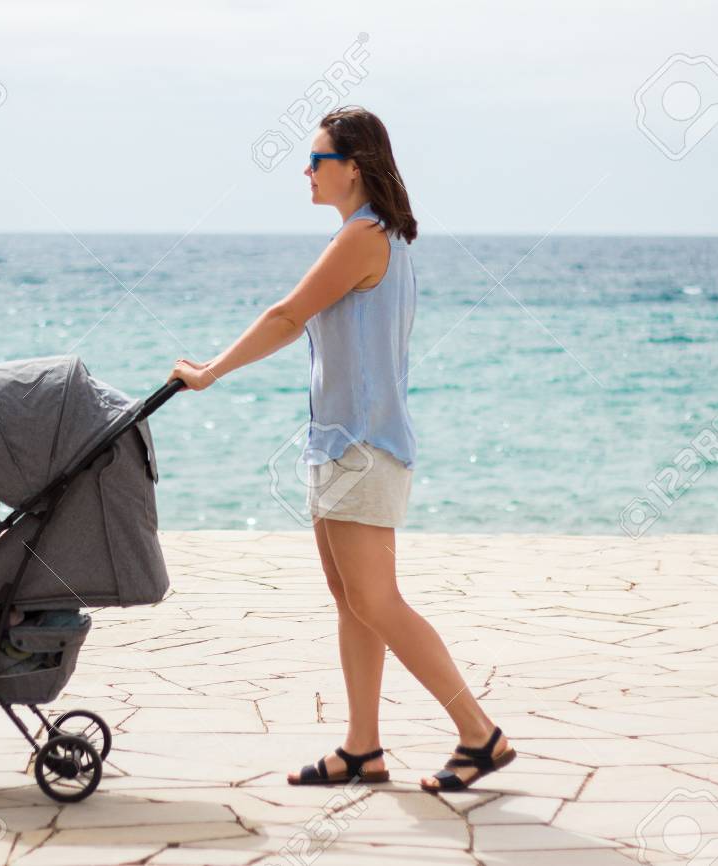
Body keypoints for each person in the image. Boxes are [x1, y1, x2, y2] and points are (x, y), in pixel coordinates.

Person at [167, 107, 515, 793]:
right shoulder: (373, 236)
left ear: (353, 167)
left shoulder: (364, 238)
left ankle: (479, 732)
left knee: (377, 601)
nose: (306, 170)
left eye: (317, 159)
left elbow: (286, 314)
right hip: (341, 445)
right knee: (352, 601)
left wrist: (209, 371)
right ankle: (363, 749)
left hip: (364, 448)